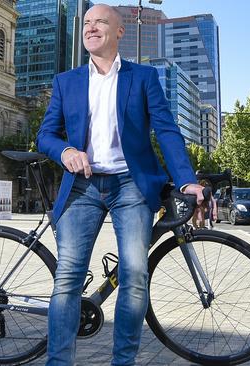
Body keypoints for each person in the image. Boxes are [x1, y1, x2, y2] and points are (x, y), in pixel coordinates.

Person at [36, 4, 211, 365]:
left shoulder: (143, 78)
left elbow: (166, 131)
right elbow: (45, 136)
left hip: (131, 186)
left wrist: (188, 181)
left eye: (100, 21)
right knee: (67, 278)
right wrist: (66, 150)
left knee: (134, 272)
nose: (91, 27)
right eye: (86, 23)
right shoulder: (65, 82)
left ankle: (123, 361)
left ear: (119, 32)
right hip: (82, 187)